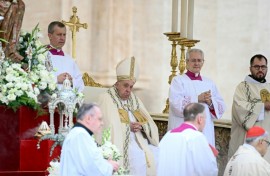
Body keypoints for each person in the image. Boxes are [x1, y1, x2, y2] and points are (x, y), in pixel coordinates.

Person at [98, 57, 159, 176]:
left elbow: (149, 122)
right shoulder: (106, 98)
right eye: (125, 85)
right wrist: (127, 127)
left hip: (138, 140)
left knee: (158, 154)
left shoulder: (134, 100)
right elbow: (107, 126)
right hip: (119, 142)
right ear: (117, 84)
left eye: (131, 87)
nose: (128, 90)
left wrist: (141, 127)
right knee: (137, 157)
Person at [168, 48, 226, 146]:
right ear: (187, 62)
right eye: (193, 60)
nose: (196, 63)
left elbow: (221, 107)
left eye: (199, 60)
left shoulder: (209, 83)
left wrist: (210, 102)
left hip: (205, 131)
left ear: (203, 62)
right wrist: (197, 99)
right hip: (184, 131)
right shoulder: (178, 81)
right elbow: (175, 105)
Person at [228, 54, 270, 162]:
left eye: (263, 67)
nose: (260, 70)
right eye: (257, 67)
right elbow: (239, 108)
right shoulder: (242, 87)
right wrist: (263, 106)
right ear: (250, 68)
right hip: (248, 142)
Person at [158, 103, 218, 176]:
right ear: (200, 119)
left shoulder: (168, 135)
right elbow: (208, 170)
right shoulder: (197, 137)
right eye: (205, 118)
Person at [60, 103, 119, 176]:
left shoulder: (78, 133)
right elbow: (91, 168)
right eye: (99, 119)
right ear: (88, 118)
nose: (102, 123)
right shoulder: (80, 135)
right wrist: (110, 166)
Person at [47, 21, 84, 92]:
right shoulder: (42, 56)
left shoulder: (69, 59)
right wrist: (56, 79)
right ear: (50, 36)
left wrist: (71, 81)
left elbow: (81, 83)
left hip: (70, 99)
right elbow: (37, 80)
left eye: (64, 35)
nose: (62, 38)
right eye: (59, 34)